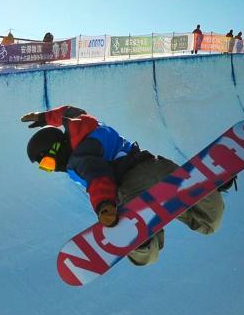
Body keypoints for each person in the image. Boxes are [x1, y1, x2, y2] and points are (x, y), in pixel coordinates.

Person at [22, 105, 228, 266]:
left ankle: (142, 241)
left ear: (57, 149)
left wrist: (104, 205)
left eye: (47, 164)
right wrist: (44, 117)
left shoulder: (78, 160)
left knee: (147, 255)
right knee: (210, 222)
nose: (53, 169)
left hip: (132, 187)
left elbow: (98, 177)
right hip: (156, 164)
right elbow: (67, 111)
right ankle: (209, 193)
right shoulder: (86, 123)